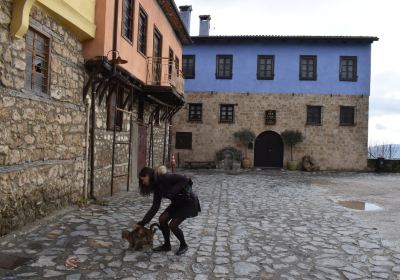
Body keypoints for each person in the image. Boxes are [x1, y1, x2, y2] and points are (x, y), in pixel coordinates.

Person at [136, 167, 201, 255]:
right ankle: (167, 245)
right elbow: (155, 207)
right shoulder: (156, 187)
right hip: (177, 203)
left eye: (143, 180)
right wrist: (143, 222)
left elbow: (185, 179)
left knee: (173, 225)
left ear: (147, 175)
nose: (143, 182)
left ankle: (183, 244)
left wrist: (172, 192)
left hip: (188, 202)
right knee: (162, 219)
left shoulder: (165, 177)